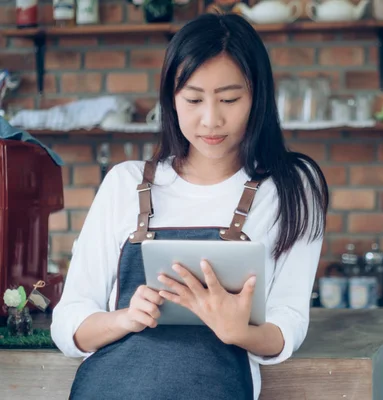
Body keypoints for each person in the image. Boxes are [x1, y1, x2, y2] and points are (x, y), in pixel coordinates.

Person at [50, 12, 329, 400]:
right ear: (171, 99)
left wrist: (238, 331)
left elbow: (289, 320)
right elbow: (69, 320)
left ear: (258, 98)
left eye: (230, 99)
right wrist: (126, 318)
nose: (211, 119)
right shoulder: (125, 182)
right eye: (194, 99)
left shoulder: (292, 187)